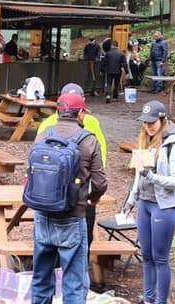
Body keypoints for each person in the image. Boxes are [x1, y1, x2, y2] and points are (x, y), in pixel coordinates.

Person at [30, 91, 107, 304]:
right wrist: (92, 198)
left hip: (43, 216)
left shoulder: (43, 135)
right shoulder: (89, 140)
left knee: (41, 278)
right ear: (80, 113)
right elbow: (100, 183)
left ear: (59, 112)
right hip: (73, 217)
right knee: (74, 283)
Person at [122, 101, 175, 304]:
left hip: (164, 206)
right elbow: (138, 176)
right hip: (145, 203)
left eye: (152, 122)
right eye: (145, 122)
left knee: (160, 257)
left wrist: (152, 177)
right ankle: (148, 299)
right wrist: (131, 200)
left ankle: (161, 301)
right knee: (147, 256)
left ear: (162, 120)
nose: (149, 126)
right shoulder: (145, 140)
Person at [35, 83, 108, 246]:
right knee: (77, 247)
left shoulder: (46, 128)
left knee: (46, 247)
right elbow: (100, 156)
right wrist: (94, 191)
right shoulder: (48, 124)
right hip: (79, 199)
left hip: (46, 198)